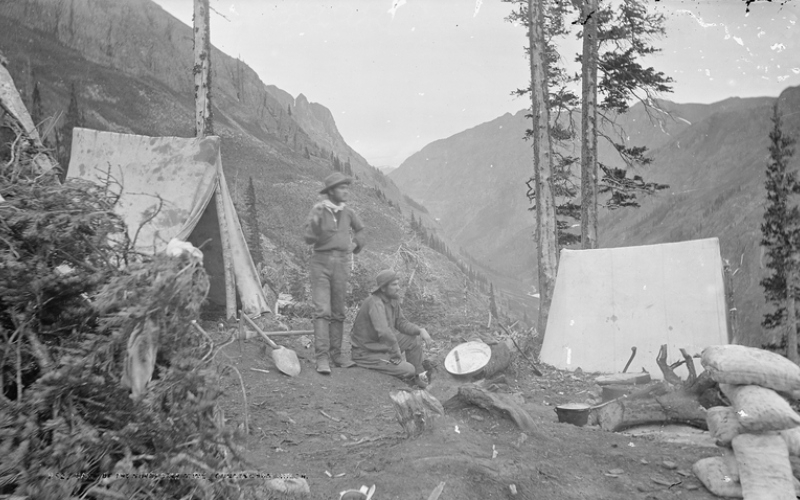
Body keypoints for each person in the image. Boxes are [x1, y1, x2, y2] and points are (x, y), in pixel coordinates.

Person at [303, 172, 365, 374]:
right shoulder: (319, 210)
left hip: (342, 263)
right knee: (322, 311)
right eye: (341, 188)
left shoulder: (348, 213)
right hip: (320, 263)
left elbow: (361, 231)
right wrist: (315, 224)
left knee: (339, 312)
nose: (346, 192)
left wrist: (355, 244)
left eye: (347, 188)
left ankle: (337, 355)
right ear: (330, 191)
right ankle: (322, 358)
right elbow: (308, 238)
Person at [350, 269, 433, 388]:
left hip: (382, 345)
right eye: (394, 284)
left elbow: (401, 322)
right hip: (367, 352)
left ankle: (418, 377)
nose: (398, 288)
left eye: (398, 284)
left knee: (413, 339)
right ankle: (402, 373)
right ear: (383, 288)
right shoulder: (375, 303)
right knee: (409, 369)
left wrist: (420, 330)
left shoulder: (392, 300)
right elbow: (384, 332)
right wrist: (395, 351)